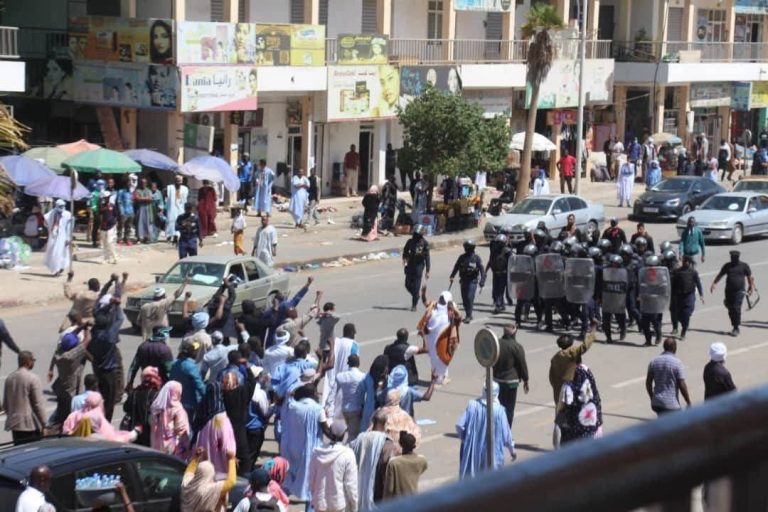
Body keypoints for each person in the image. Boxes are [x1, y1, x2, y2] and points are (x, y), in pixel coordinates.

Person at [282, 383, 332, 505]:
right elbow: (326, 430)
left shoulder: (293, 406)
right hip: (309, 450)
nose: (317, 395)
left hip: (293, 447)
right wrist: (337, 437)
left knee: (290, 477)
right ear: (312, 394)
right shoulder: (317, 409)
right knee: (311, 482)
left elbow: (288, 396)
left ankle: (281, 500)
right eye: (315, 392)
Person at [456, 381, 516, 479]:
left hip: (473, 452)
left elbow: (459, 425)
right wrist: (512, 451)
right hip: (492, 453)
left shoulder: (472, 406)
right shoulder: (499, 411)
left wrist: (465, 439)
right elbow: (507, 436)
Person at [88, 280, 126, 422]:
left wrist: (111, 282)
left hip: (96, 368)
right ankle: (105, 423)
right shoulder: (110, 335)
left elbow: (97, 306)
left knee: (99, 397)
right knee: (109, 401)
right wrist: (116, 302)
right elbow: (120, 318)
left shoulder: (94, 332)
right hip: (108, 371)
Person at [351, 409, 401, 509]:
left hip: (359, 487)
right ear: (385, 423)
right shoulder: (387, 442)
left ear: (373, 421)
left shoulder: (360, 438)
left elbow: (351, 450)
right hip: (377, 488)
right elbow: (387, 464)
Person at [309, 422, 359, 512]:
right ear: (344, 435)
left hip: (319, 505)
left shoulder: (316, 453)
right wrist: (355, 506)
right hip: (338, 505)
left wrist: (316, 497)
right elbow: (351, 485)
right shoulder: (348, 454)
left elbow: (311, 481)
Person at [47, 326, 90, 427]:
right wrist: (86, 328)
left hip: (61, 387)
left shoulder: (60, 351)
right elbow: (87, 339)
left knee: (60, 410)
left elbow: (71, 337)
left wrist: (81, 326)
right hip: (70, 391)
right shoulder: (70, 356)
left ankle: (54, 425)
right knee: (68, 414)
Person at [417, 290, 462, 384]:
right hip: (434, 339)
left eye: (443, 298)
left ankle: (442, 377)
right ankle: (439, 379)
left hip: (442, 337)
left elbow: (459, 317)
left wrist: (454, 309)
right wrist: (423, 294)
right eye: (441, 298)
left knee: (441, 357)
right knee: (438, 358)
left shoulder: (450, 309)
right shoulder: (434, 305)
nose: (441, 300)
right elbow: (425, 302)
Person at [194, 382, 237, 476]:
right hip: (220, 472)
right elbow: (226, 445)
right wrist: (231, 460)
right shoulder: (221, 418)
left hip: (203, 470)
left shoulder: (201, 415)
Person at [549, 322, 597, 406]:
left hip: (560, 392)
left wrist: (557, 387)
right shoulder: (572, 352)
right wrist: (593, 331)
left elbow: (552, 378)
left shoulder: (555, 358)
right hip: (573, 389)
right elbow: (585, 346)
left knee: (561, 411)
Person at [5, 351, 46, 445]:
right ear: (28, 362)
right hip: (30, 426)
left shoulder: (9, 378)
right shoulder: (33, 378)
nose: (33, 363)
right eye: (33, 360)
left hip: (15, 426)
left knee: (19, 450)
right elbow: (38, 404)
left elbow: (6, 405)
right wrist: (44, 424)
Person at [62, 392, 139, 442]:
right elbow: (114, 439)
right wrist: (133, 433)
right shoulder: (98, 419)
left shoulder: (73, 416)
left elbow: (65, 432)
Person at [711, 250, 755, 337]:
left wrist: (751, 287)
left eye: (735, 258)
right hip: (729, 291)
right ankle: (734, 324)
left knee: (736, 308)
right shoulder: (727, 266)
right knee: (731, 309)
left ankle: (736, 327)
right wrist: (714, 283)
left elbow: (749, 276)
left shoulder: (744, 266)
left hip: (740, 291)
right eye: (732, 258)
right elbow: (720, 275)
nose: (733, 259)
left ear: (738, 258)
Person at [492, 324, 529, 427]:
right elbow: (522, 364)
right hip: (511, 382)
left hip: (497, 380)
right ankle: (506, 430)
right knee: (509, 408)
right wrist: (526, 380)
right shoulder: (517, 346)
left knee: (498, 406)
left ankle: (497, 428)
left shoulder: (496, 343)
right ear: (514, 333)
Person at [557, 363, 603, 444]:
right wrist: (599, 422)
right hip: (592, 428)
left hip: (573, 432)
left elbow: (561, 408)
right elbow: (596, 398)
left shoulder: (567, 386)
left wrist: (558, 423)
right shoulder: (586, 371)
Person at [181, 447, 237, 512]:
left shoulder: (187, 485)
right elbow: (231, 482)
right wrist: (231, 460)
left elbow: (189, 472)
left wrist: (196, 457)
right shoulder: (209, 490)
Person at [646, 338, 692, 415]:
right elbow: (682, 385)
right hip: (671, 405)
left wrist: (652, 397)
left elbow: (648, 383)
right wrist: (688, 402)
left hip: (657, 403)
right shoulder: (677, 363)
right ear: (675, 348)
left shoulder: (654, 361)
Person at [122, 366, 162, 447]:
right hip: (150, 434)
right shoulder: (156, 394)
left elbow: (126, 408)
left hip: (135, 431)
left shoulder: (134, 392)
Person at [382, 431, 427, 500]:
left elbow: (389, 489)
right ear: (414, 446)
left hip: (399, 501)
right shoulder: (422, 460)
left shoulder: (394, 463)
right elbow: (423, 468)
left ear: (401, 444)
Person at [449, 240, 486, 323]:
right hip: (463, 280)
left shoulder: (476, 258)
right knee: (465, 299)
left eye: (467, 247)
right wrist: (452, 276)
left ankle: (468, 315)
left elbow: (482, 270)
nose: (465, 248)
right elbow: (456, 266)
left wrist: (482, 281)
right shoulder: (462, 257)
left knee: (469, 297)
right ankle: (468, 314)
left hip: (472, 281)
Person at [170, 339, 206, 420]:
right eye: (195, 349)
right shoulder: (191, 367)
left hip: (175, 400)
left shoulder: (174, 364)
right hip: (189, 403)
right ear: (191, 351)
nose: (197, 351)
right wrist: (207, 397)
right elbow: (200, 386)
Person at [671, 255, 704, 340]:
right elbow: (673, 284)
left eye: (686, 261)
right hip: (679, 296)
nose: (684, 262)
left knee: (686, 314)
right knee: (679, 316)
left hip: (689, 296)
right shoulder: (677, 272)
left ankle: (683, 331)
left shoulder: (693, 272)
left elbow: (698, 283)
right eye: (683, 261)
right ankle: (684, 324)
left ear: (689, 262)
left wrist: (701, 295)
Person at [402, 226, 431, 311]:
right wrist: (405, 259)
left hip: (419, 266)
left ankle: (414, 305)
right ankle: (416, 296)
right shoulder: (410, 242)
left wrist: (428, 270)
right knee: (407, 284)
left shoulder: (424, 243)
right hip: (410, 265)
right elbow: (405, 251)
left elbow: (427, 257)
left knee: (416, 286)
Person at [43, 199, 72, 276]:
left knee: (60, 253)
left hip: (62, 236)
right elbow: (46, 221)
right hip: (53, 235)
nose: (61, 207)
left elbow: (69, 227)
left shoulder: (67, 214)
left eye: (62, 206)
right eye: (59, 206)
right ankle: (55, 268)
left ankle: (58, 268)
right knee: (53, 252)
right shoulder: (52, 212)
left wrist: (68, 238)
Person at [166, 175, 189, 242]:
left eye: (180, 181)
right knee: (171, 221)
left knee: (180, 221)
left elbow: (185, 199)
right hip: (172, 207)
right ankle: (169, 235)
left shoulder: (185, 189)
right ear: (175, 181)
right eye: (177, 181)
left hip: (180, 207)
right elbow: (166, 196)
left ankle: (177, 235)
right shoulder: (170, 188)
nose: (179, 183)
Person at [98, 191, 119, 264]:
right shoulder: (101, 206)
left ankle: (115, 257)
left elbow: (115, 215)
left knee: (110, 242)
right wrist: (104, 207)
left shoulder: (112, 206)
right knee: (104, 243)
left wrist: (115, 223)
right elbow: (100, 213)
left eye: (108, 197)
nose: (107, 198)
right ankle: (106, 258)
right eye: (105, 197)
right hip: (103, 226)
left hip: (111, 226)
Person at [134, 178, 155, 243]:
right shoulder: (137, 190)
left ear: (146, 183)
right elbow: (137, 199)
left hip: (147, 209)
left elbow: (151, 199)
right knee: (139, 223)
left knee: (147, 223)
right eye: (142, 183)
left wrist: (141, 199)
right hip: (139, 209)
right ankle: (139, 238)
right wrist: (146, 198)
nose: (143, 184)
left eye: (144, 183)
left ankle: (146, 238)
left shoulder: (149, 190)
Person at [116, 176, 135, 245]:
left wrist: (132, 211)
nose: (130, 184)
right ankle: (119, 239)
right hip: (124, 212)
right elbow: (119, 202)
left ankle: (127, 239)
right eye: (129, 182)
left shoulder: (130, 192)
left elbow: (132, 201)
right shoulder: (121, 191)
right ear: (126, 183)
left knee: (128, 227)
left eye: (131, 182)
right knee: (121, 226)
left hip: (130, 211)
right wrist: (121, 211)